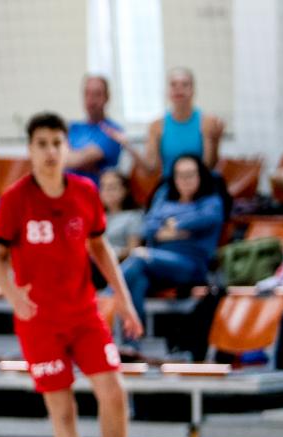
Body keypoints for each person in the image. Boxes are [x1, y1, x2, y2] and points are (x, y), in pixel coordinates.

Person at [0, 112, 157, 437]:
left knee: (114, 392)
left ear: (66, 147)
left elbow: (100, 247)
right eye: (41, 143)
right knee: (63, 412)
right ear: (30, 150)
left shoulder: (84, 191)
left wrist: (124, 299)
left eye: (56, 143)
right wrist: (13, 295)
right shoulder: (16, 199)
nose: (50, 151)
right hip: (39, 323)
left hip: (84, 315)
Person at [0, 75, 125, 284]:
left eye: (97, 94)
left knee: (0, 212)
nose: (91, 100)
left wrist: (64, 156)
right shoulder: (74, 128)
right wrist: (67, 157)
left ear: (107, 97)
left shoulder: (112, 132)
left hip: (74, 203)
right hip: (47, 192)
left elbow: (71, 159)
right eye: (88, 94)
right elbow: (56, 161)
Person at [120, 154, 225, 328]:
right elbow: (148, 226)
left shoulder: (211, 202)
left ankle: (102, 303)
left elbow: (205, 219)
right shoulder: (164, 199)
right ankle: (134, 339)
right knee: (138, 278)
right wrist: (180, 230)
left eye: (190, 174)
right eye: (180, 175)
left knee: (139, 257)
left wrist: (172, 225)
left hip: (190, 265)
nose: (185, 180)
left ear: (200, 176)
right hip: (156, 264)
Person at [116, 68, 224, 177]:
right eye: (173, 85)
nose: (178, 89)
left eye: (185, 84)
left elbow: (209, 166)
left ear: (193, 90)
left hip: (201, 183)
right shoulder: (157, 126)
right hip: (170, 184)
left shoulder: (207, 122)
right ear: (167, 91)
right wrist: (128, 146)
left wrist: (215, 140)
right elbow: (150, 168)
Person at [99, 170, 143, 262]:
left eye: (112, 188)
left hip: (119, 264)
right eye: (103, 187)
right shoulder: (96, 217)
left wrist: (114, 253)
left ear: (124, 190)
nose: (106, 192)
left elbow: (134, 251)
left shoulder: (134, 216)